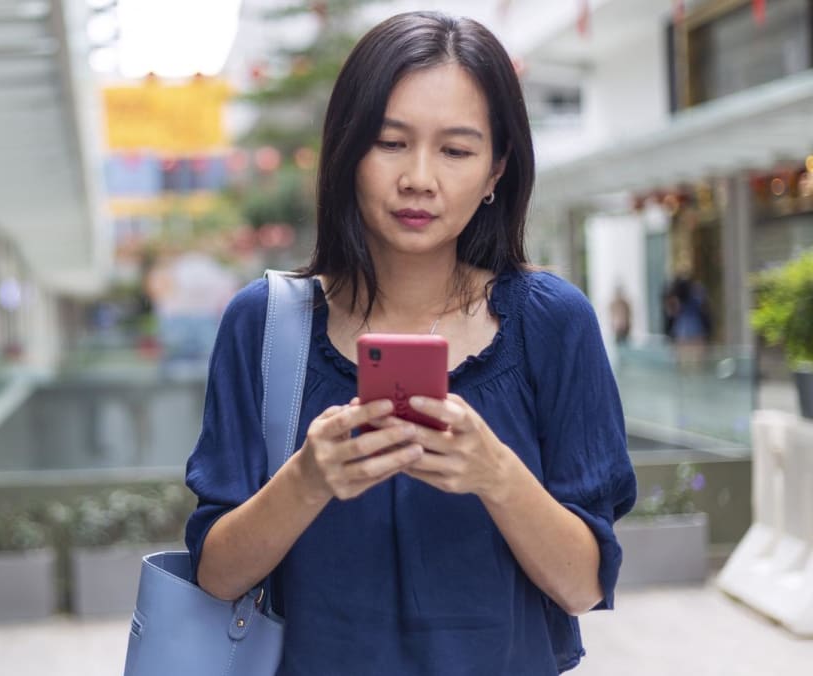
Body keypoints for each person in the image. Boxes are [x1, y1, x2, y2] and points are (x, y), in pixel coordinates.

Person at [184, 12, 636, 675]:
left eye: (456, 150)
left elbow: (583, 585)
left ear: (496, 171)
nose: (419, 178)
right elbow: (217, 576)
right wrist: (306, 481)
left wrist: (495, 474)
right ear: (346, 153)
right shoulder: (266, 325)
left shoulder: (550, 322)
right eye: (391, 143)